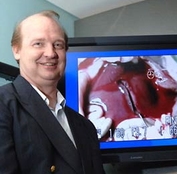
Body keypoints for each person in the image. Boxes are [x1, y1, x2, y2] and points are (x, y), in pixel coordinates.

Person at [0, 10, 105, 174]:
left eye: (58, 45)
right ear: (16, 50)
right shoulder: (3, 106)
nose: (50, 53)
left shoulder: (86, 127)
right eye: (38, 44)